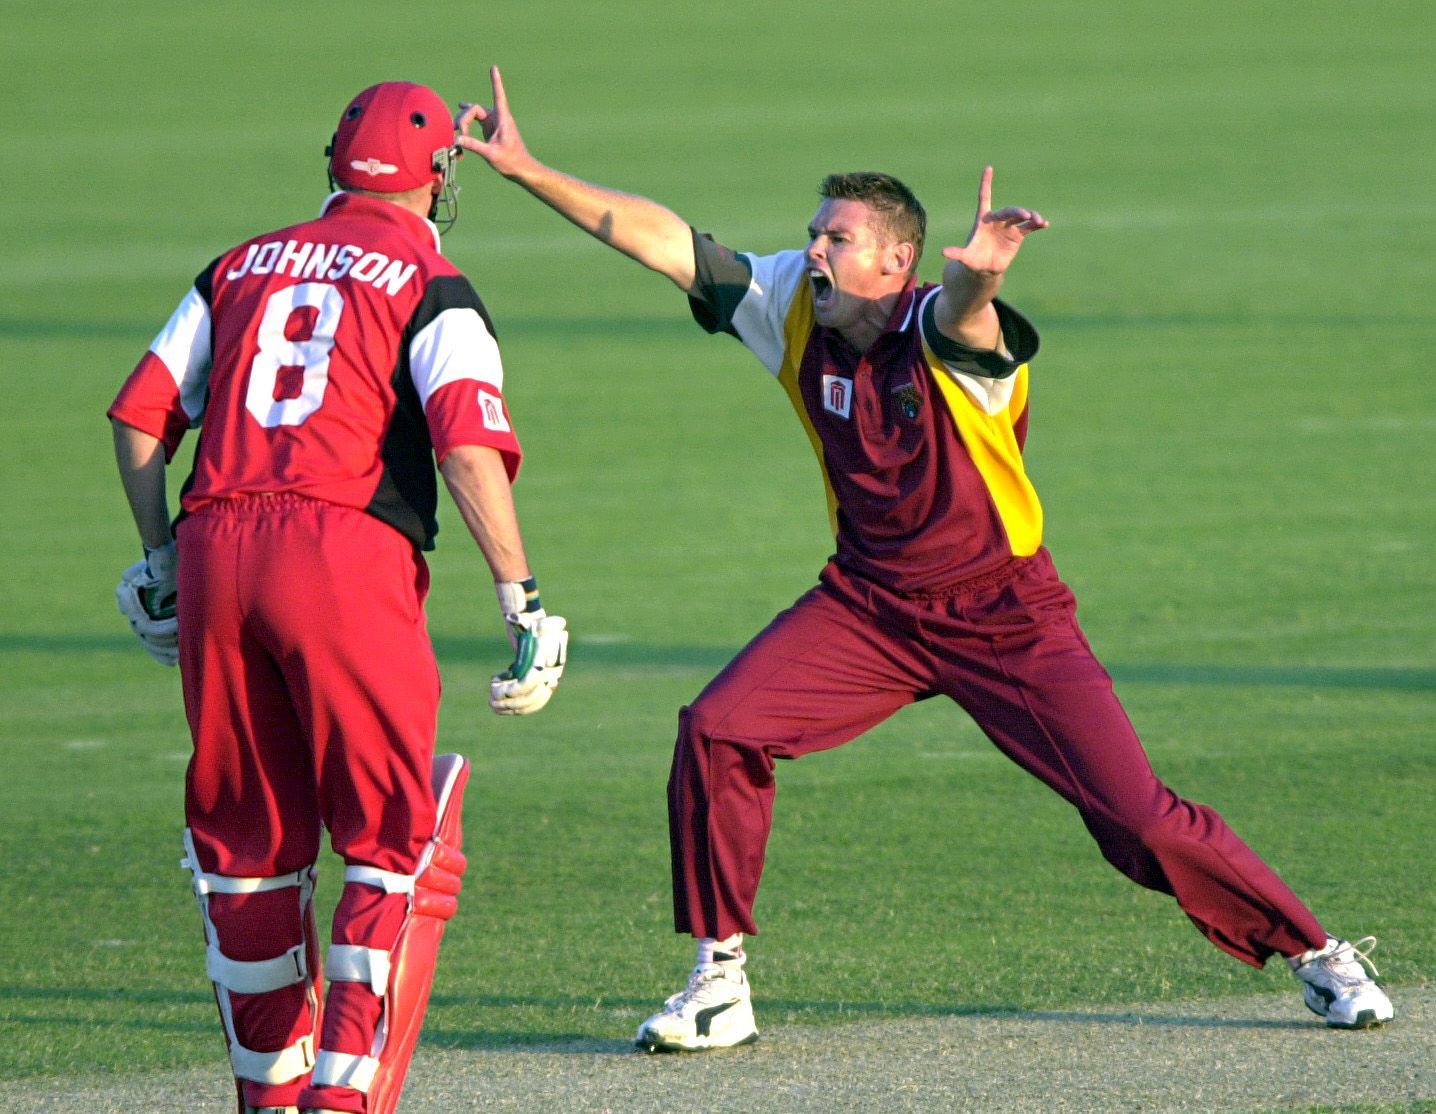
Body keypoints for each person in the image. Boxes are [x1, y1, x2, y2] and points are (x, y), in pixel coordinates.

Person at [454, 67, 1394, 1053]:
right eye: (814, 230)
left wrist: (983, 272)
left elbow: (969, 318)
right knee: (717, 728)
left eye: (836, 236)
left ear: (896, 263)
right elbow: (655, 237)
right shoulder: (788, 302)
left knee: (1136, 819)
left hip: (1007, 617)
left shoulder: (939, 330)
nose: (812, 246)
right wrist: (525, 170)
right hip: (869, 608)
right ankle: (718, 977)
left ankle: (1315, 951)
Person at [109, 81, 569, 1113]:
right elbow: (463, 441)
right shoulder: (430, 278)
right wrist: (521, 597)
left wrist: (157, 561)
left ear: (330, 160)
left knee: (246, 853)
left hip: (217, 545)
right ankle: (344, 1097)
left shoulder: (236, 264)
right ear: (438, 177)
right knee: (392, 839)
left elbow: (140, 417)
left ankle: (266, 1095)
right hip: (341, 556)